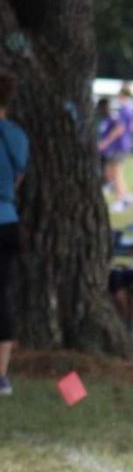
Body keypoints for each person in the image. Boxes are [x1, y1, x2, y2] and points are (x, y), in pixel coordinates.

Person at [0, 72, 30, 397]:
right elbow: (18, 177)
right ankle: (2, 374)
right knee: (3, 296)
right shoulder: (16, 136)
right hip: (6, 220)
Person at [101, 82, 133, 213]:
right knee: (113, 173)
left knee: (115, 174)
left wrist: (106, 142)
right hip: (125, 144)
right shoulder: (131, 109)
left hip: (119, 146)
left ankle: (121, 200)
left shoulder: (124, 109)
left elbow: (120, 129)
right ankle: (126, 197)